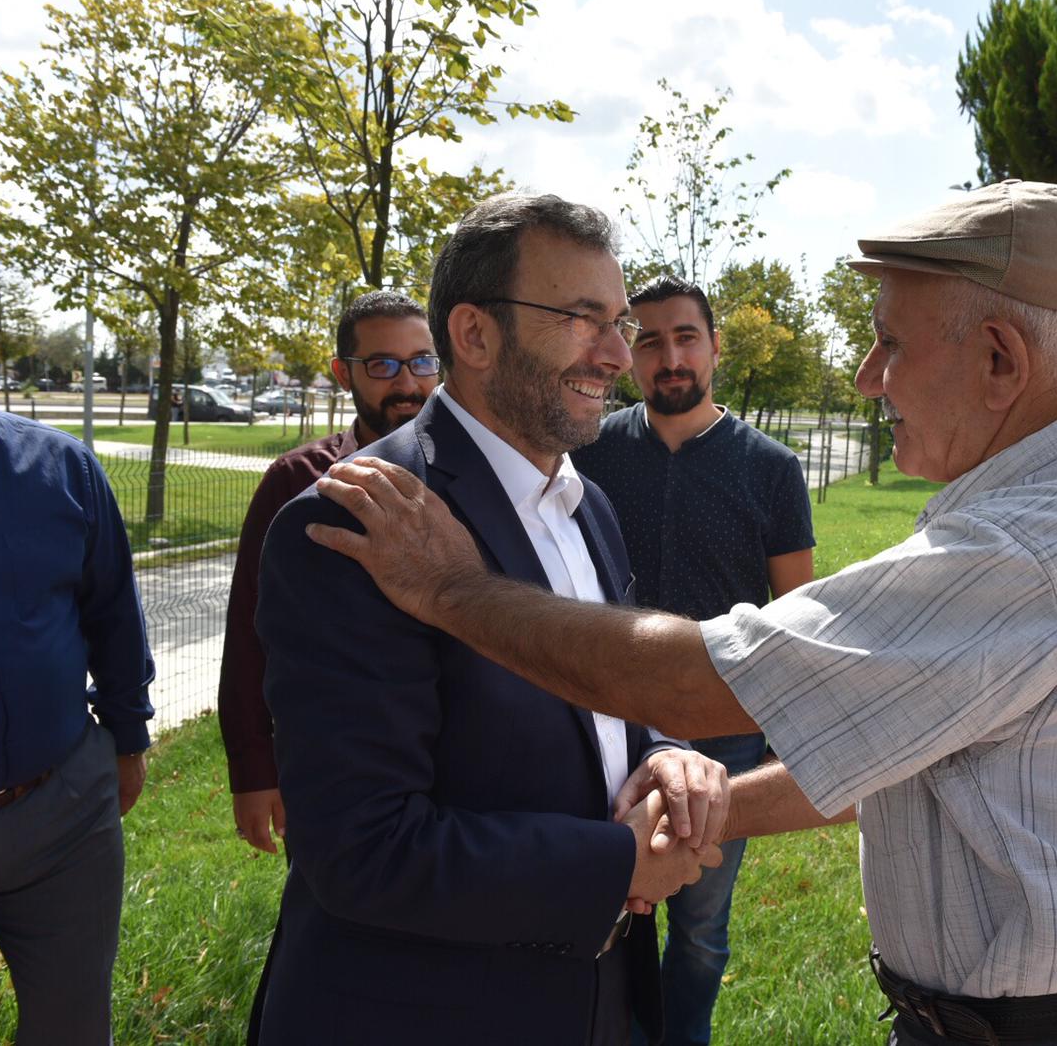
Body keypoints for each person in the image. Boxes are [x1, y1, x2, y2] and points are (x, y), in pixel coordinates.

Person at [310, 180, 1057, 1046]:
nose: (866, 375)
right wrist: (697, 795)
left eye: (891, 340)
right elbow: (893, 744)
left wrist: (451, 590)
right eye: (583, 317)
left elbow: (691, 681)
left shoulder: (1035, 547)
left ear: (1000, 358)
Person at [252, 193, 728, 1046]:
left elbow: (596, 694)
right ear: (473, 335)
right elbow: (363, 848)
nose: (621, 355)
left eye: (618, 323)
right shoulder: (362, 523)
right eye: (586, 319)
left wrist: (665, 755)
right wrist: (620, 866)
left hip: (597, 1003)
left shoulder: (588, 505)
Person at [574, 274, 816, 1046]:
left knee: (701, 929)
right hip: (605, 723)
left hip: (725, 734)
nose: (668, 356)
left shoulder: (770, 467)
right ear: (627, 352)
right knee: (600, 903)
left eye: (685, 337)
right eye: (648, 339)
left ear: (714, 347)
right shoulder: (591, 453)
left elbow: (793, 612)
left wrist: (784, 736)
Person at [0, 288, 156, 1043]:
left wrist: (130, 736)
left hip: (63, 813)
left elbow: (113, 611)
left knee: (74, 1029)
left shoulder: (61, 469)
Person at [219, 290, 441, 856]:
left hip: (459, 765)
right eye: (383, 365)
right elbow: (249, 628)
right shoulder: (297, 482)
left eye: (422, 361)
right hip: (331, 767)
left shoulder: (473, 477)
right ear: (344, 373)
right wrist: (252, 768)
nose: (408, 383)